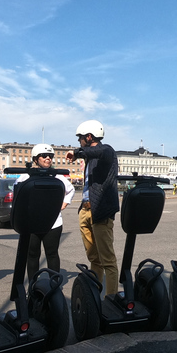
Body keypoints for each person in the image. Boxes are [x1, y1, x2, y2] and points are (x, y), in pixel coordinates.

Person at [65, 120, 120, 295]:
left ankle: (111, 300)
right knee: (94, 258)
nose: (79, 141)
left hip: (101, 211)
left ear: (89, 137)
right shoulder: (90, 157)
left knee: (107, 260)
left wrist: (77, 152)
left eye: (80, 138)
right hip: (86, 210)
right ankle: (95, 298)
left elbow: (101, 151)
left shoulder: (107, 151)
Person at [14, 143, 75, 281]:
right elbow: (16, 191)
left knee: (52, 254)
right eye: (44, 156)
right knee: (32, 254)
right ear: (36, 159)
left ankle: (55, 284)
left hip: (53, 223)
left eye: (50, 156)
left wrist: (63, 204)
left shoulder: (57, 176)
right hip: (32, 223)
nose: (48, 158)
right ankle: (33, 285)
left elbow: (70, 190)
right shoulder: (25, 177)